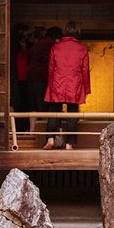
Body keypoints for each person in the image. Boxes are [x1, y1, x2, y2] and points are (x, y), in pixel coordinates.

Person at [43, 22, 90, 150]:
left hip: (57, 81)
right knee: (72, 113)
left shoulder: (55, 47)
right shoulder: (82, 49)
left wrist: (50, 86)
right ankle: (69, 143)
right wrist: (86, 88)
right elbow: (85, 70)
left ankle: (51, 138)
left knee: (53, 110)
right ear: (77, 33)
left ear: (64, 32)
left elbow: (51, 68)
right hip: (74, 83)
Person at [25, 25, 56, 136]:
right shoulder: (52, 45)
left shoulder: (36, 45)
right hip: (44, 77)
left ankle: (32, 131)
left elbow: (29, 58)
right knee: (46, 106)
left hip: (31, 77)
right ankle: (46, 133)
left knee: (32, 105)